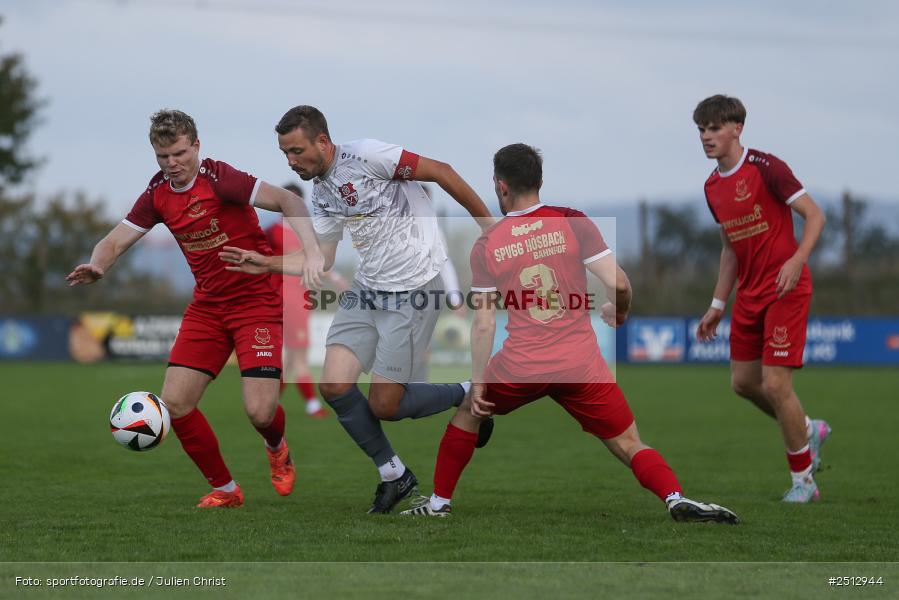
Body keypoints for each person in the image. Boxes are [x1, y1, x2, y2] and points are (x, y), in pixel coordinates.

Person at [401, 143, 739, 524]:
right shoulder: (572, 221)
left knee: (468, 413)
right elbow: (620, 283)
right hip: (581, 365)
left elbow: (483, 322)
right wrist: (619, 310)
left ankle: (439, 504)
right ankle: (675, 497)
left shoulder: (488, 244)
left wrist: (479, 384)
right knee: (629, 443)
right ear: (540, 181)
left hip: (522, 365)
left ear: (500, 186)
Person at [220, 105, 494, 513]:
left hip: (414, 288)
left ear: (323, 142)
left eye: (296, 151)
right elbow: (323, 259)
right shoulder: (322, 190)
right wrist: (266, 263)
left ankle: (467, 394)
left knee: (386, 405)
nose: (291, 162)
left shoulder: (368, 156)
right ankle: (394, 476)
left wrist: (490, 228)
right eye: (285, 154)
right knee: (333, 384)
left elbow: (442, 171)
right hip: (368, 288)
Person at [67, 109, 325, 508]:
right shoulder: (158, 194)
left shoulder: (222, 180)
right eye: (162, 157)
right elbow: (114, 241)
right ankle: (226, 490)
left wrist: (311, 254)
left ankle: (276, 446)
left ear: (197, 147)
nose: (172, 164)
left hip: (255, 303)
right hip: (208, 307)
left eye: (179, 154)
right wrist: (97, 264)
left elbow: (290, 200)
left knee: (260, 412)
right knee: (176, 404)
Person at [692, 95, 830, 503]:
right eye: (701, 129)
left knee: (775, 384)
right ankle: (808, 429)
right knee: (744, 383)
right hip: (749, 295)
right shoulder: (712, 187)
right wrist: (718, 305)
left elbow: (816, 215)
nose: (706, 136)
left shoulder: (767, 167)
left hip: (785, 289)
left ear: (737, 129)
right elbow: (730, 249)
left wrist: (797, 260)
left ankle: (804, 482)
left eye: (714, 128)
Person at [264, 183, 349, 419]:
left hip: (300, 299)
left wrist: (337, 278)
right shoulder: (274, 232)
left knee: (291, 358)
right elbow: (262, 262)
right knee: (298, 356)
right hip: (287, 301)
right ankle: (312, 405)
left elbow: (318, 260)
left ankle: (268, 404)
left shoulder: (305, 233)